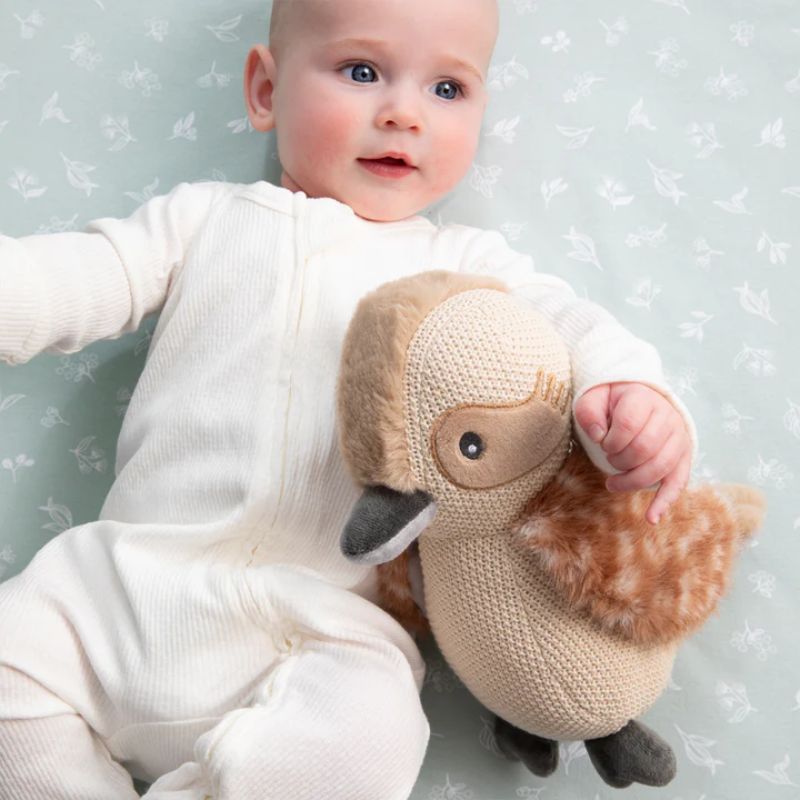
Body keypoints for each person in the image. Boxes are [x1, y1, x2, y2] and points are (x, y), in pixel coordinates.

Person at [0, 0, 696, 797]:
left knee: (376, 733)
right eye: (361, 72)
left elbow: (569, 324)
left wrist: (629, 389)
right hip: (122, 585)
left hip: (316, 623)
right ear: (266, 90)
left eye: (448, 89)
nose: (403, 113)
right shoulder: (204, 220)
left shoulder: (459, 266)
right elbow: (73, 280)